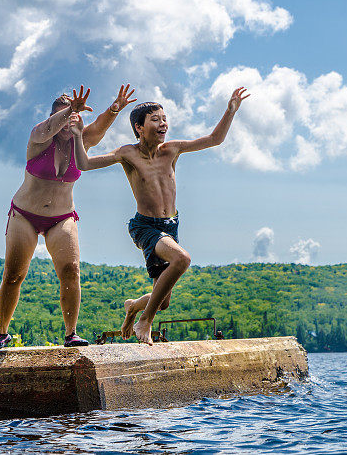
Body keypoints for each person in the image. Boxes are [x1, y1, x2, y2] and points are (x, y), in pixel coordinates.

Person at [70, 87, 249, 344]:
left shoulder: (172, 150)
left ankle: (133, 307)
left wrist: (230, 111)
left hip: (171, 226)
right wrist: (77, 135)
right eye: (155, 119)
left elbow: (214, 139)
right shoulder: (127, 154)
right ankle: (145, 321)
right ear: (139, 128)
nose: (163, 123)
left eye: (164, 119)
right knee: (182, 259)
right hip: (146, 227)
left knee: (163, 301)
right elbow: (83, 164)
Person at [0, 84, 138, 350]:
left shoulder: (82, 139)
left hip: (62, 217)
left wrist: (114, 107)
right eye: (64, 117)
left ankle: (71, 333)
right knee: (14, 274)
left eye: (74, 117)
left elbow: (100, 126)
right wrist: (69, 110)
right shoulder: (39, 138)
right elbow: (45, 128)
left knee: (71, 271)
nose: (69, 123)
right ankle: (1, 332)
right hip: (24, 215)